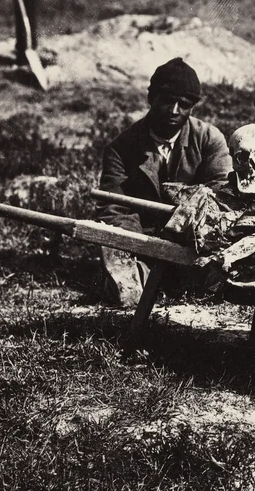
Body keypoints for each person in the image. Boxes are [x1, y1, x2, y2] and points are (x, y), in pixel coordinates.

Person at [95, 58, 232, 307]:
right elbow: (113, 209)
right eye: (168, 101)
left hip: (193, 242)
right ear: (151, 98)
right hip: (143, 243)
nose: (174, 111)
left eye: (185, 104)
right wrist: (146, 247)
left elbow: (223, 197)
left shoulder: (210, 140)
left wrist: (185, 236)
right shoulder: (121, 148)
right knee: (127, 283)